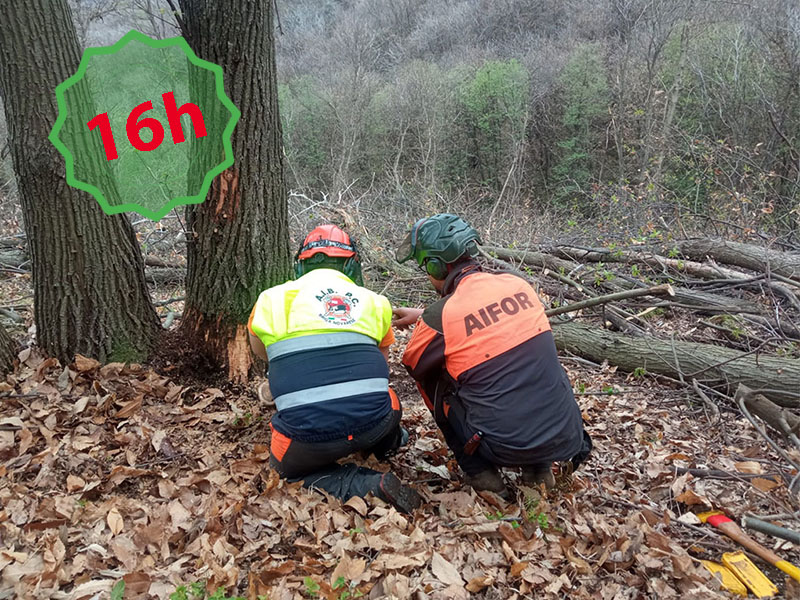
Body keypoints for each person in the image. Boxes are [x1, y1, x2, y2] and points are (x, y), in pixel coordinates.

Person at [393, 214, 591, 499]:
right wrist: (425, 316)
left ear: (436, 265)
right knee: (527, 362)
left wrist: (430, 324)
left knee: (434, 380)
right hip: (565, 434)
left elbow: (413, 362)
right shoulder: (518, 285)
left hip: (503, 445)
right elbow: (490, 319)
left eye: (426, 266)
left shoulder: (442, 315)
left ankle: (482, 475)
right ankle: (539, 471)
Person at [248, 224, 420, 513]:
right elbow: (382, 368)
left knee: (284, 472)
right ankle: (388, 443)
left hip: (306, 442)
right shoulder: (375, 302)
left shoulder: (270, 299)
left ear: (301, 264)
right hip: (373, 424)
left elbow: (262, 353)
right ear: (351, 264)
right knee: (388, 397)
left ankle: (361, 485)